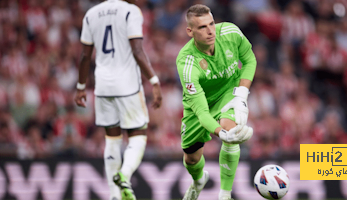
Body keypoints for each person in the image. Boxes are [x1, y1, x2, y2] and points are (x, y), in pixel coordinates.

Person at [74, 0, 162, 200]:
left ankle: (114, 196)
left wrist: (80, 87)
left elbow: (85, 56)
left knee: (112, 140)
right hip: (128, 85)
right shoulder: (131, 11)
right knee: (138, 135)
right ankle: (125, 174)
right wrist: (154, 81)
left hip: (103, 85)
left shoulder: (91, 14)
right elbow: (137, 50)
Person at [176, 4, 256, 200]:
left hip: (229, 93)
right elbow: (202, 113)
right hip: (199, 106)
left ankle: (225, 194)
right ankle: (198, 180)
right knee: (191, 158)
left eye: (211, 23)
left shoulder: (230, 32)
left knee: (231, 128)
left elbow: (249, 60)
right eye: (202, 27)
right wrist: (220, 133)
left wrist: (241, 95)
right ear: (190, 31)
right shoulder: (187, 63)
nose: (210, 30)